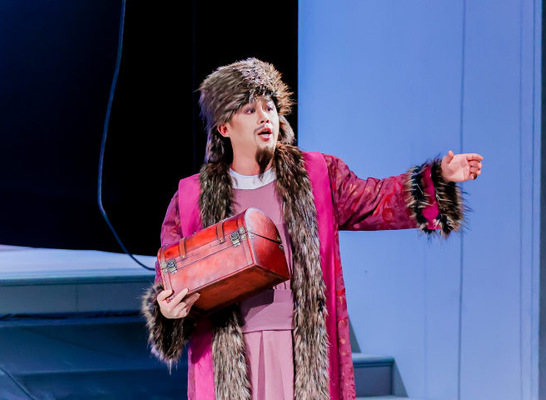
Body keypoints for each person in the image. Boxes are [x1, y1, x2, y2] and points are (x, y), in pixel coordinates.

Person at [142, 58, 483, 400]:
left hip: (301, 349)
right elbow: (169, 276)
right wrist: (168, 311)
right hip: (228, 356)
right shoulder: (192, 197)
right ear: (224, 128)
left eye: (269, 107)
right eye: (249, 109)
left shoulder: (317, 175)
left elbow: (376, 200)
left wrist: (438, 177)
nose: (264, 117)